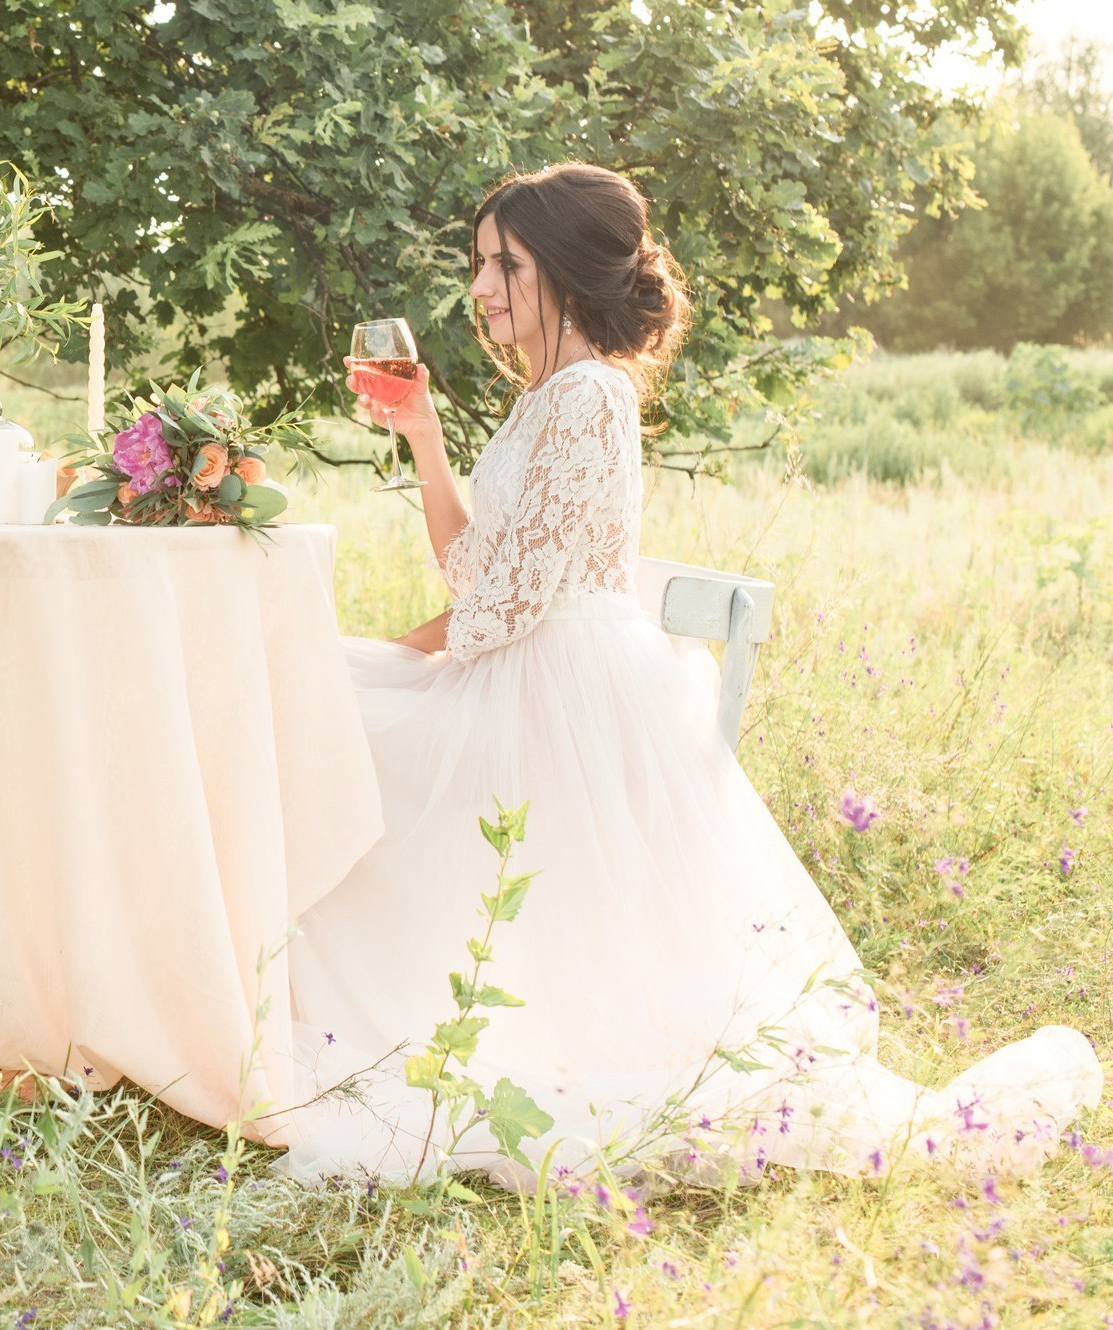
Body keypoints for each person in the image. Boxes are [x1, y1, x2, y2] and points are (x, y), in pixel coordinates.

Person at [280, 162, 1101, 1185]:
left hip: (552, 692)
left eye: (505, 264)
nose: (481, 289)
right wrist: (427, 440)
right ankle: (309, 1011)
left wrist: (420, 639)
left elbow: (488, 609)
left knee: (328, 724)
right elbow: (480, 576)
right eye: (479, 265)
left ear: (567, 270)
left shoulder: (587, 397)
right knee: (322, 707)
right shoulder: (541, 398)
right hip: (525, 667)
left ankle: (329, 1023)